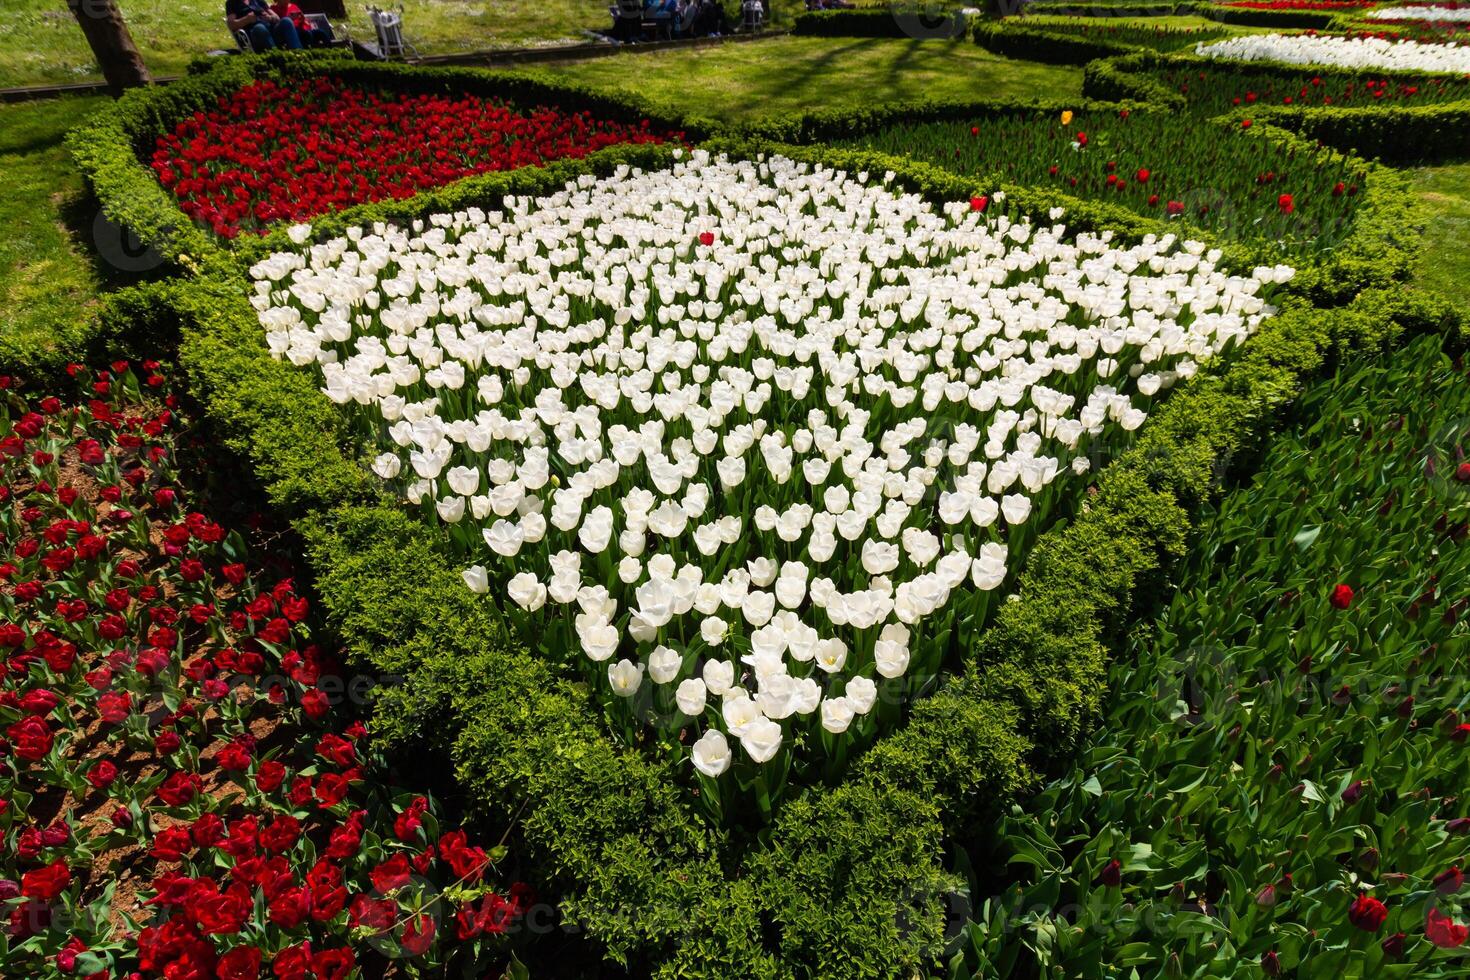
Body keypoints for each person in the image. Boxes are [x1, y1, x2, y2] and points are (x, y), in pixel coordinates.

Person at [226, 0, 303, 52]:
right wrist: (247, 19)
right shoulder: (232, 2)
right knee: (260, 28)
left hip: (271, 30)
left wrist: (269, 18)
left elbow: (276, 17)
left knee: (286, 21)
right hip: (255, 34)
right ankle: (276, 57)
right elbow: (231, 25)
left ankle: (299, 54)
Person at [270, 1, 335, 47]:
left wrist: (302, 19)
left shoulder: (293, 6)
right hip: (293, 32)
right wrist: (289, 18)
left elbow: (304, 22)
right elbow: (278, 24)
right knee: (306, 35)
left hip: (303, 29)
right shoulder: (273, 9)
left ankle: (331, 51)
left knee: (321, 32)